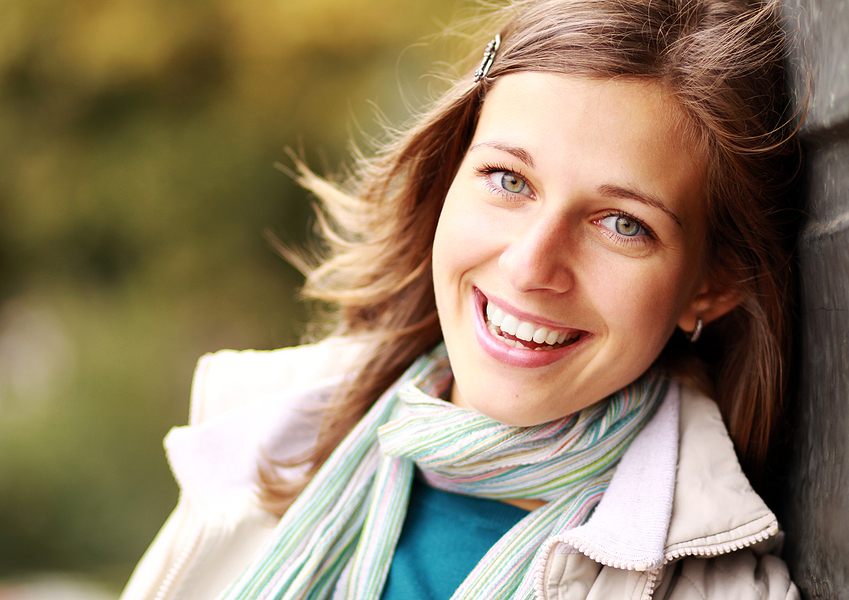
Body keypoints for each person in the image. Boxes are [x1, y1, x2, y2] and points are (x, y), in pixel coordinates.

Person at [121, 0, 802, 598]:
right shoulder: (254, 439)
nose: (531, 264)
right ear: (451, 174)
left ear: (711, 285)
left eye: (624, 224)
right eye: (508, 179)